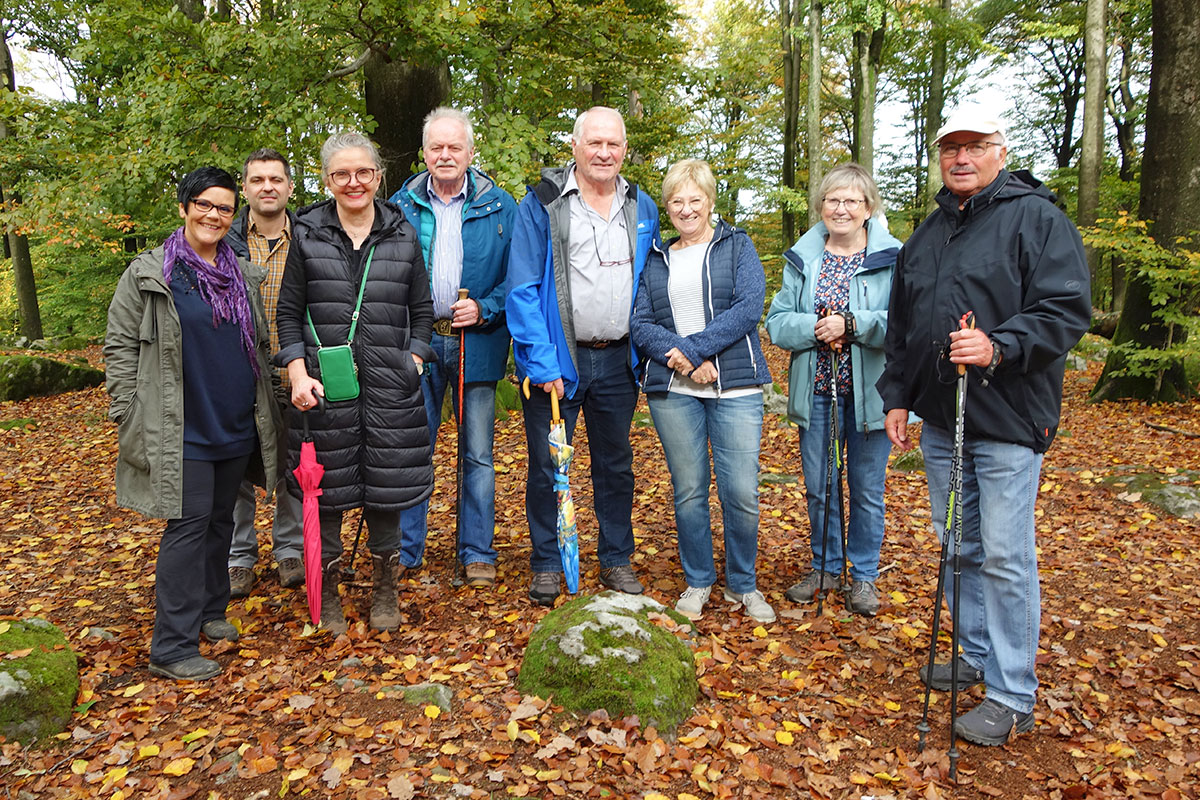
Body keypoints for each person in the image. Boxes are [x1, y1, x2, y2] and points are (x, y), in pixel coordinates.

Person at [878, 108, 1090, 745]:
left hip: (1007, 418)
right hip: (943, 421)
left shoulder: (1037, 219)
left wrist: (999, 346)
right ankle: (973, 655)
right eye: (951, 149)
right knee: (958, 545)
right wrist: (898, 396)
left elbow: (1065, 309)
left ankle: (1012, 691)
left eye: (975, 147)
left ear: (1000, 151)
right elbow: (904, 327)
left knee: (1002, 554)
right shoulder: (928, 234)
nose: (961, 158)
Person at [104, 166, 280, 681]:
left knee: (220, 522)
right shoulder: (151, 273)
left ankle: (210, 610)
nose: (214, 215)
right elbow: (118, 348)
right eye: (204, 204)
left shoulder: (240, 272)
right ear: (184, 208)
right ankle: (172, 645)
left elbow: (260, 342)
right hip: (179, 425)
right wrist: (127, 411)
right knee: (187, 528)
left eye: (224, 207)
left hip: (234, 421)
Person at [275, 131, 435, 634]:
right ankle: (330, 592)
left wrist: (414, 359)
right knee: (328, 491)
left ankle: (386, 589)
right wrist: (297, 370)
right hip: (325, 389)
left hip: (392, 387)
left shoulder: (402, 233)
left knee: (387, 490)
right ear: (327, 180)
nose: (354, 182)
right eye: (342, 174)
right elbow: (286, 312)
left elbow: (423, 312)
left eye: (363, 172)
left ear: (378, 176)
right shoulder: (306, 233)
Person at [506, 106, 660, 606]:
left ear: (624, 149)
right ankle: (549, 561)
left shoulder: (642, 205)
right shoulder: (543, 204)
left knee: (616, 466)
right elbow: (524, 288)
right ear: (574, 146)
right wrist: (539, 359)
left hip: (618, 360)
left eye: (613, 144)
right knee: (550, 465)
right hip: (558, 363)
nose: (604, 152)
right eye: (594, 142)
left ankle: (616, 558)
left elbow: (650, 283)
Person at [630, 159, 774, 624]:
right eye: (677, 201)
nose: (687, 209)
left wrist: (695, 351)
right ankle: (698, 579)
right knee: (689, 490)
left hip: (735, 386)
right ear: (668, 207)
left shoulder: (738, 245)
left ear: (711, 202)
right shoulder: (655, 256)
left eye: (695, 200)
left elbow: (748, 307)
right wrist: (683, 358)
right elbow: (639, 322)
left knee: (741, 491)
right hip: (673, 388)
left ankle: (743, 584)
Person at [764, 163, 901, 618]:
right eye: (832, 200)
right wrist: (820, 328)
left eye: (851, 201)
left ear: (868, 208)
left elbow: (905, 322)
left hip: (871, 395)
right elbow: (778, 323)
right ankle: (824, 566)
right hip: (817, 392)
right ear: (821, 206)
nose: (840, 209)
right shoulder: (803, 258)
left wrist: (856, 324)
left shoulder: (893, 258)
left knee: (865, 489)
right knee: (820, 487)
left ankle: (862, 577)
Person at [389, 108, 514, 588]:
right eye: (436, 147)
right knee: (411, 451)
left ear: (469, 152)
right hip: (414, 345)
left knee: (477, 454)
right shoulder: (399, 205)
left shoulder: (500, 206)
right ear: (424, 152)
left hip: (475, 343)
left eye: (454, 147)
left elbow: (519, 279)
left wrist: (485, 308)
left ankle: (478, 550)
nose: (445, 155)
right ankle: (406, 549)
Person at [224, 148, 304, 598]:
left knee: (293, 463)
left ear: (290, 187)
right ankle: (239, 556)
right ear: (246, 189)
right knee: (236, 465)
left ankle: (290, 549)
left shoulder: (310, 235)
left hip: (296, 366)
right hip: (240, 369)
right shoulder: (225, 241)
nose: (268, 187)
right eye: (258, 180)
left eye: (276, 179)